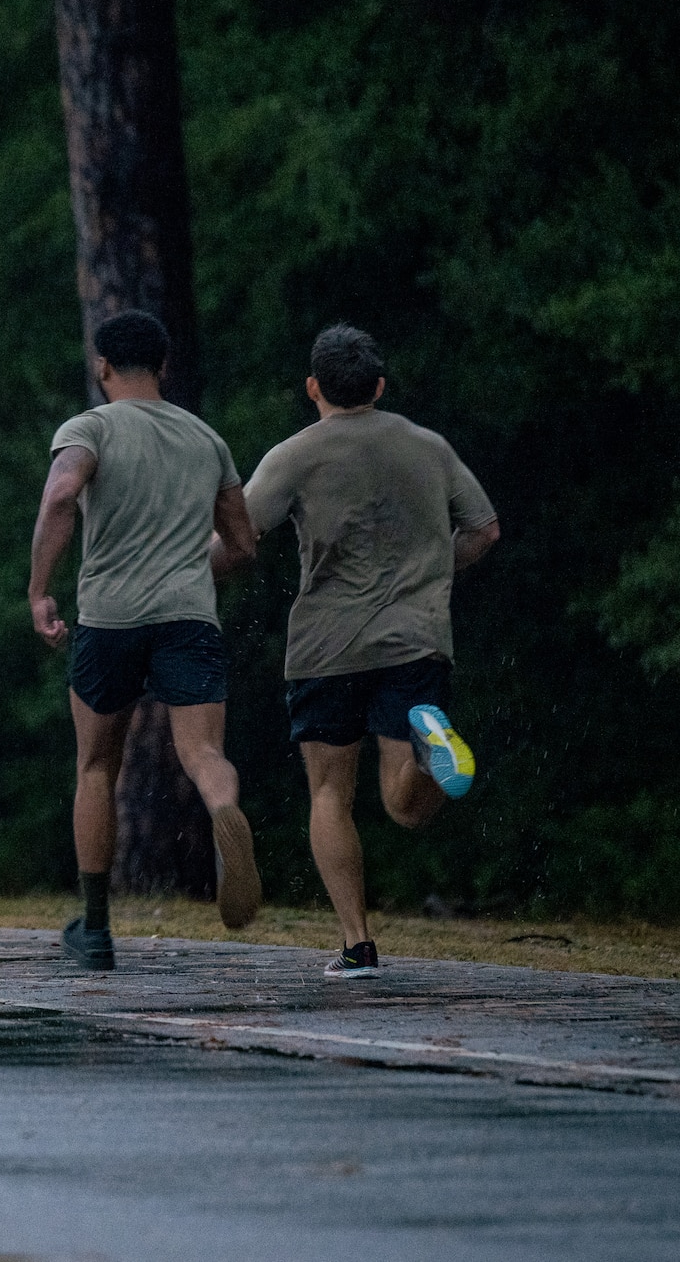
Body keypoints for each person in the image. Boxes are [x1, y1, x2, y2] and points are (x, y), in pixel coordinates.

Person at [235, 324, 499, 980]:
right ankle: (432, 753)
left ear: (313, 387)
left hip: (327, 646)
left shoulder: (295, 455)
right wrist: (439, 571)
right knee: (403, 803)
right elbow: (486, 528)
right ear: (380, 386)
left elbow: (240, 532)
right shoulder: (429, 447)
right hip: (417, 638)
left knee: (330, 793)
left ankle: (358, 944)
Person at [28, 310, 263, 971]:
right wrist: (188, 562)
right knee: (203, 749)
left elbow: (60, 494)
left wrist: (39, 589)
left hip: (109, 619)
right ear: (163, 365)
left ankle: (95, 927)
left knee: (97, 764)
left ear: (102, 366)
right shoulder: (206, 439)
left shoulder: (90, 427)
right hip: (188, 616)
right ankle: (224, 808)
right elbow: (243, 543)